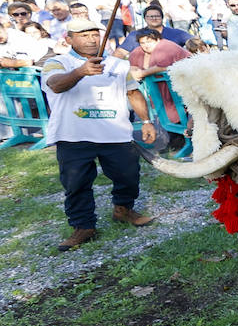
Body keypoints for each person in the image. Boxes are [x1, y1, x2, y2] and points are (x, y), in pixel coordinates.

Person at [41, 18, 158, 249]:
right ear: (69, 39)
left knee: (128, 176)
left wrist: (146, 121)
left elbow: (132, 93)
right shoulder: (57, 62)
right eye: (83, 35)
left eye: (94, 34)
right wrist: (81, 72)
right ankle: (83, 226)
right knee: (75, 184)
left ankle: (123, 209)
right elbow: (55, 85)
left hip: (115, 133)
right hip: (73, 135)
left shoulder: (118, 65)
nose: (91, 39)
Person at [116, 2, 192, 58]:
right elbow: (119, 53)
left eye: (157, 16)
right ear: (145, 19)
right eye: (150, 16)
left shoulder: (176, 33)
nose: (154, 18)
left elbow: (196, 42)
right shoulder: (135, 35)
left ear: (162, 18)